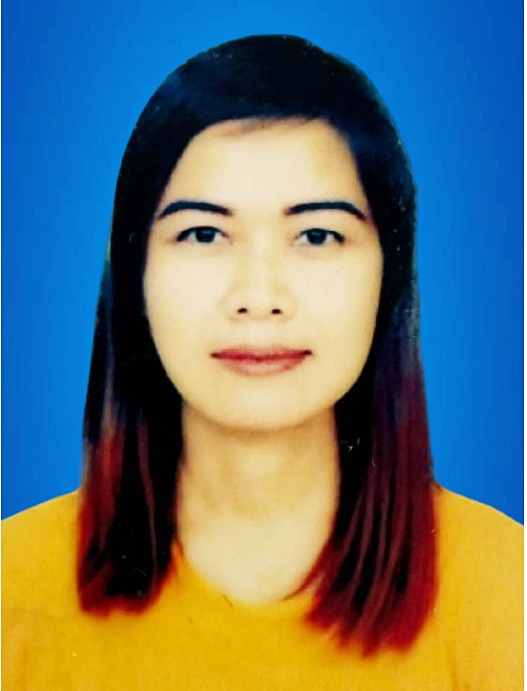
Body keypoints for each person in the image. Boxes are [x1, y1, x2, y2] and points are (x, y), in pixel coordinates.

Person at [2, 35, 522, 690]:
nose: (258, 296)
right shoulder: (12, 588)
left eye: (316, 235)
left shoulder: (503, 590)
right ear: (135, 273)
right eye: (203, 233)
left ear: (387, 276)